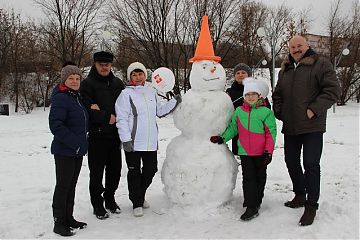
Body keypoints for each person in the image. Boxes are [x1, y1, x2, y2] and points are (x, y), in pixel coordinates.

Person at [272, 35, 340, 226]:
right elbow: (277, 94)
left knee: (310, 163)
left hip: (312, 126)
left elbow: (333, 90)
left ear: (307, 45)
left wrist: (313, 110)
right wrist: (279, 110)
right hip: (291, 125)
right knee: (291, 161)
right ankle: (300, 195)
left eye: (299, 45)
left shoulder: (321, 64)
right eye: (292, 46)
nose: (296, 49)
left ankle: (311, 205)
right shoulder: (284, 69)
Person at [115, 62, 181, 217]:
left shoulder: (151, 91)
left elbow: (160, 111)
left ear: (145, 75)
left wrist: (175, 101)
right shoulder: (126, 94)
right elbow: (122, 118)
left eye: (140, 74)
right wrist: (125, 139)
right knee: (134, 173)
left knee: (151, 169)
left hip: (150, 141)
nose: (138, 77)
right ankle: (136, 202)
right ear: (130, 77)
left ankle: (140, 194)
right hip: (133, 141)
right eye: (134, 75)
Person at [210, 79, 277, 221]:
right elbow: (233, 128)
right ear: (244, 96)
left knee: (260, 177)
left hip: (261, 153)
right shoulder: (239, 112)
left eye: (254, 94)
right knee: (248, 178)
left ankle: (257, 200)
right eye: (248, 94)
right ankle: (251, 206)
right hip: (245, 152)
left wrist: (268, 151)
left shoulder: (266, 112)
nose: (251, 97)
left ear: (259, 96)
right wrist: (222, 138)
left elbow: (271, 133)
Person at [80, 51, 125, 219]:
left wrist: (99, 110)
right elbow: (87, 109)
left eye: (107, 64)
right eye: (101, 64)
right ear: (95, 64)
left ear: (111, 65)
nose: (104, 67)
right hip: (97, 136)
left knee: (115, 171)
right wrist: (107, 116)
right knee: (97, 173)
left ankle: (110, 198)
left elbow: (124, 108)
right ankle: (97, 204)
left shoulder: (118, 83)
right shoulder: (87, 84)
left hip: (115, 136)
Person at [49, 64, 88, 236]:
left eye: (77, 78)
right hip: (64, 151)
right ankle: (59, 222)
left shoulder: (75, 96)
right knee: (63, 186)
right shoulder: (61, 97)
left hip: (76, 151)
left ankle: (68, 217)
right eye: (71, 78)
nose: (74, 81)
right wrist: (76, 143)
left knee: (71, 186)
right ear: (64, 80)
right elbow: (56, 125)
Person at [226, 63, 271, 156]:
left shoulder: (257, 89)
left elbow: (267, 107)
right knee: (240, 157)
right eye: (237, 73)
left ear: (249, 75)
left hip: (255, 130)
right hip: (238, 130)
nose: (240, 75)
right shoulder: (230, 91)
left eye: (243, 72)